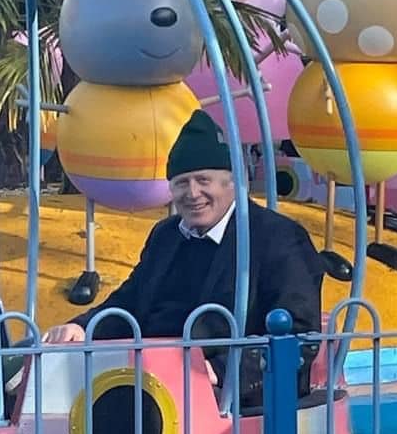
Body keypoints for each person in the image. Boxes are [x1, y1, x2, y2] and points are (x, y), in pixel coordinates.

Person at [43, 110, 324, 406]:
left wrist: (219, 372)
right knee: (35, 377)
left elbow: (298, 332)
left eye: (204, 180)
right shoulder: (166, 235)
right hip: (152, 378)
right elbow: (129, 301)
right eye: (181, 183)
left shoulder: (278, 237)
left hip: (232, 397)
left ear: (231, 182)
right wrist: (83, 328)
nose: (192, 193)